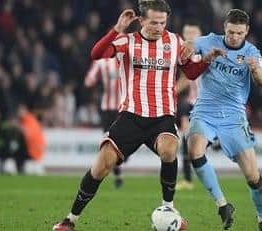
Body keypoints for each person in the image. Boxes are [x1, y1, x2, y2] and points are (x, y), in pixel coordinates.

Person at [53, 1, 216, 230]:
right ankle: (70, 219)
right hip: (131, 116)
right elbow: (96, 54)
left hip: (162, 117)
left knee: (169, 149)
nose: (159, 27)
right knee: (101, 166)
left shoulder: (174, 41)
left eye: (163, 22)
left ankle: (168, 209)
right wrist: (117, 29)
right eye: (153, 22)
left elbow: (190, 72)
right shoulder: (127, 42)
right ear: (141, 20)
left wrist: (207, 59)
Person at [185, 9, 262, 231]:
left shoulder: (252, 52)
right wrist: (188, 48)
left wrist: (255, 70)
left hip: (234, 117)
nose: (234, 36)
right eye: (230, 32)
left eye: (239, 33)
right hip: (205, 110)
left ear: (246, 32)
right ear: (224, 27)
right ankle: (223, 205)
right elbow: (188, 48)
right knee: (194, 150)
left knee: (253, 177)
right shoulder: (209, 41)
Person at [84, 58, 124, 189]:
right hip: (108, 109)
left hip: (124, 108)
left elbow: (88, 82)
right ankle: (117, 173)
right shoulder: (101, 62)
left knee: (122, 142)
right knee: (109, 142)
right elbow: (89, 81)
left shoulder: (127, 59)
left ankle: (117, 166)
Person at [175, 22, 202, 191]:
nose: (190, 35)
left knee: (195, 143)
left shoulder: (206, 53)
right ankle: (187, 179)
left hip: (209, 106)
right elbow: (185, 79)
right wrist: (171, 91)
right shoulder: (186, 56)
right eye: (187, 32)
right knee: (185, 140)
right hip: (192, 104)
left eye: (193, 32)